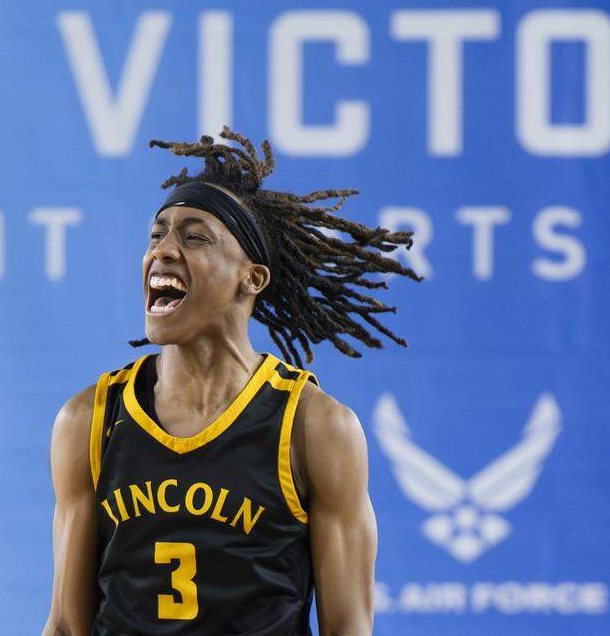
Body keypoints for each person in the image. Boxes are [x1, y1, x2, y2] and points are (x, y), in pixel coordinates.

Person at [42, 127, 423, 636]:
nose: (165, 250)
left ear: (253, 278)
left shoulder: (314, 427)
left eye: (195, 236)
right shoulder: (90, 419)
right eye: (157, 235)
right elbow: (67, 625)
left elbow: (348, 626)